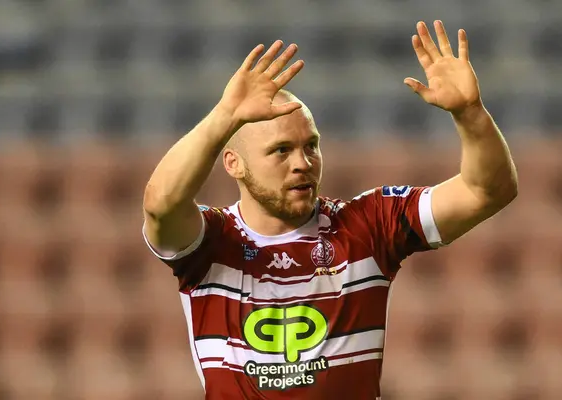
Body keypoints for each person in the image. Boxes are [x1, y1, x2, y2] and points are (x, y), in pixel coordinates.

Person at [142, 20, 518, 400]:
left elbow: (486, 190)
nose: (303, 162)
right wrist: (224, 116)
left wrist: (470, 114)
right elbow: (160, 204)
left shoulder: (367, 225)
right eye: (281, 150)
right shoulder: (210, 243)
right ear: (234, 163)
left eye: (311, 146)